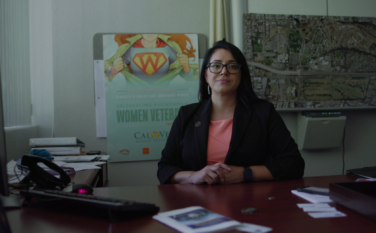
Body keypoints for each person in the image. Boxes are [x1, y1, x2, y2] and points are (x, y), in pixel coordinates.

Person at [157, 40, 305, 184]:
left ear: (241, 74)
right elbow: (164, 169)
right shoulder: (186, 114)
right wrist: (194, 176)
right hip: (198, 202)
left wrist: (245, 173)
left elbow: (294, 164)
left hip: (251, 202)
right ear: (206, 75)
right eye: (216, 66)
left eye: (232, 66)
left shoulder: (264, 113)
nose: (224, 72)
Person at [104, 34, 199, 86]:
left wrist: (186, 66)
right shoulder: (129, 49)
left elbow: (188, 76)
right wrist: (113, 70)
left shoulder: (169, 48)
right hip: (134, 97)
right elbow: (105, 72)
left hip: (164, 98)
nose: (150, 33)